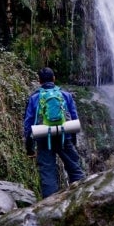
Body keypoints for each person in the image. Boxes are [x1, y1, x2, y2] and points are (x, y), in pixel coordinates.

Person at [24, 67, 85, 198]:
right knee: (74, 168)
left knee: (47, 173)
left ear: (39, 81)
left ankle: (50, 207)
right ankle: (83, 197)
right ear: (54, 79)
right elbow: (73, 118)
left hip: (43, 137)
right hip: (64, 136)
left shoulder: (34, 98)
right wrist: (72, 140)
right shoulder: (65, 95)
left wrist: (29, 147)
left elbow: (28, 124)